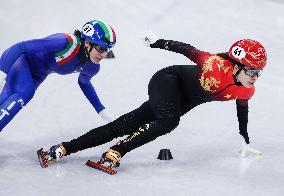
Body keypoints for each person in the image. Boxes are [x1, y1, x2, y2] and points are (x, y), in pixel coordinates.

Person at [38, 30, 267, 173]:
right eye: (251, 71)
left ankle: (63, 148)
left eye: (259, 72)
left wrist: (244, 136)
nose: (255, 77)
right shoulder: (214, 65)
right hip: (168, 80)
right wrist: (157, 42)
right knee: (169, 122)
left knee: (124, 125)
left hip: (184, 100)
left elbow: (242, 109)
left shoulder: (247, 91)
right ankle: (117, 151)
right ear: (236, 66)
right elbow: (187, 50)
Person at [0, 19, 116, 131]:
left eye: (108, 50)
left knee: (10, 98)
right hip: (23, 62)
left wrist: (101, 110)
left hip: (37, 76)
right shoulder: (65, 42)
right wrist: (2, 71)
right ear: (87, 43)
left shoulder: (92, 66)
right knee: (24, 93)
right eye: (101, 48)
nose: (104, 54)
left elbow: (84, 83)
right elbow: (20, 47)